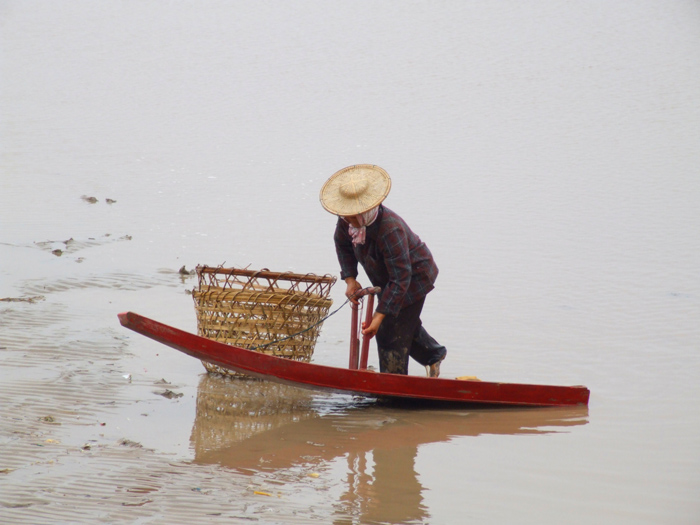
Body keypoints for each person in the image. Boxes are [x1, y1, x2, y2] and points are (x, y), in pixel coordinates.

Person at [320, 164, 447, 377]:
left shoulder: (390, 229)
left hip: (414, 277)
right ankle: (433, 355)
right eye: (344, 215)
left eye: (350, 216)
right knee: (403, 322)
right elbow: (342, 245)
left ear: (363, 212)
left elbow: (401, 278)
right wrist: (350, 279)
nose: (346, 220)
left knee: (389, 330)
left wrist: (378, 317)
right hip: (388, 278)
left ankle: (393, 386)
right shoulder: (347, 221)